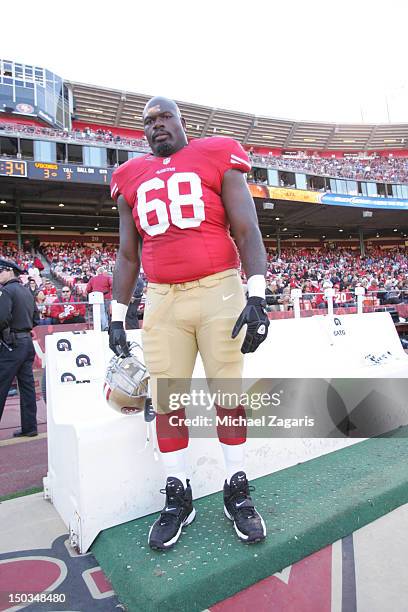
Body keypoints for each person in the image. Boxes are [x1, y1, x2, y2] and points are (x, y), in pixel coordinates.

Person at [109, 96, 270, 550]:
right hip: (161, 299)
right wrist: (117, 316)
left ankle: (236, 487)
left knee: (228, 396)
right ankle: (178, 494)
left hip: (219, 289)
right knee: (167, 400)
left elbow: (247, 228)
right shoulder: (128, 177)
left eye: (165, 117)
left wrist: (256, 294)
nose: (157, 126)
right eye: (149, 121)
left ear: (183, 122)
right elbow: (127, 254)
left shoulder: (217, 152)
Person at [0, 258, 39, 437]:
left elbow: (1, 318)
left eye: (1, 271)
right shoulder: (26, 291)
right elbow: (36, 319)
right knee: (27, 387)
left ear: (9, 272)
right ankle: (30, 427)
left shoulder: (6, 291)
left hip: (12, 344)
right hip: (26, 343)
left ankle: (29, 428)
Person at [86, 266, 113, 330]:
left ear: (97, 272)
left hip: (97, 298)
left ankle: (105, 326)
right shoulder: (108, 278)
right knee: (107, 312)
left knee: (101, 313)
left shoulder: (93, 279)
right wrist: (111, 291)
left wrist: (92, 292)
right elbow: (113, 284)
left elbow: (88, 289)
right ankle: (108, 325)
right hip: (107, 297)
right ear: (103, 272)